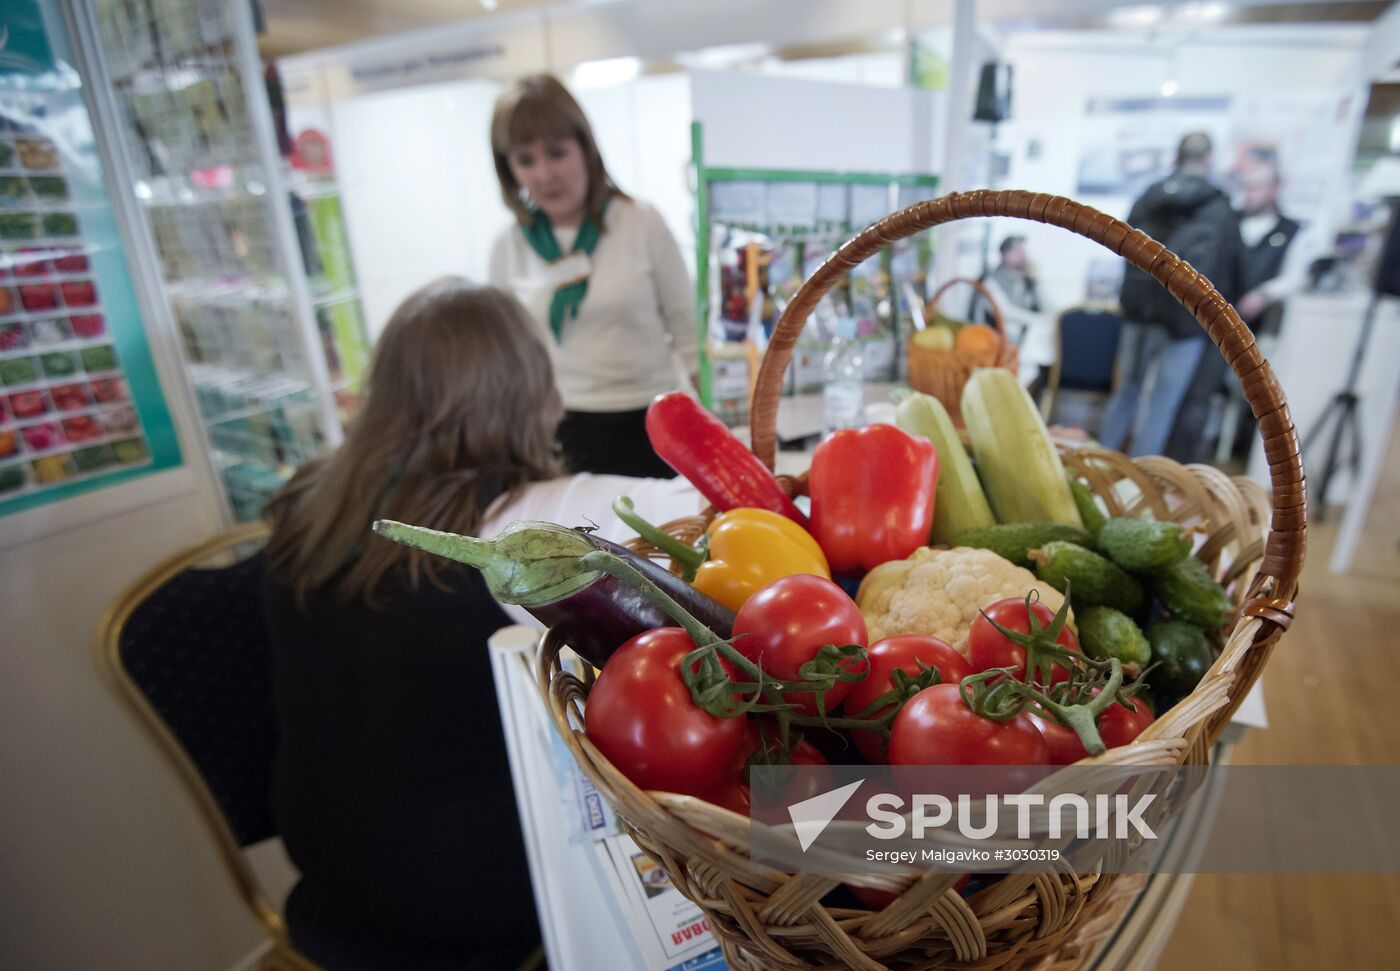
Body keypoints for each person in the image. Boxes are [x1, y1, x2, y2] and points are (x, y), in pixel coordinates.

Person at [263, 278, 699, 970]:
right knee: (796, 818)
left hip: (331, 862)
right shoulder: (530, 515)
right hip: (475, 898)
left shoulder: (309, 502)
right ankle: (926, 835)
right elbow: (723, 507)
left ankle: (922, 829)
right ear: (532, 391)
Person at [488, 74, 697, 478]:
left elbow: (686, 329)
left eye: (556, 152)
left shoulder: (640, 222)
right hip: (557, 431)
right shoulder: (508, 247)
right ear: (508, 169)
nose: (545, 174)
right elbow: (506, 361)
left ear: (585, 147)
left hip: (651, 422)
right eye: (526, 160)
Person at [1100, 132, 1244, 458]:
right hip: (1185, 318)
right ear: (1208, 160)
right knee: (1161, 405)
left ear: (1175, 159)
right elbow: (1228, 267)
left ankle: (1098, 467)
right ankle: (1140, 484)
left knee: (1125, 393)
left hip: (1139, 310)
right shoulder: (1219, 209)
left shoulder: (1149, 197)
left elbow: (1122, 245)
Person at [1165, 159, 1314, 461]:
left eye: (1256, 187)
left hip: (1254, 330)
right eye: (1245, 187)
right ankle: (1176, 465)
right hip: (1211, 324)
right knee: (1192, 395)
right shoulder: (1226, 221)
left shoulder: (1291, 232)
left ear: (1274, 189)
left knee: (1240, 400)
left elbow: (1297, 277)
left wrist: (1265, 293)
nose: (1249, 194)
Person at [970, 235, 1055, 394]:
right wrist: (1039, 319)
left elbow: (1050, 309)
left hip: (1020, 344)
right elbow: (1004, 311)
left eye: (1023, 250)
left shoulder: (1026, 281)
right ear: (1004, 254)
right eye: (1017, 250)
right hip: (995, 345)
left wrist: (1037, 281)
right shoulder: (991, 281)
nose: (1023, 254)